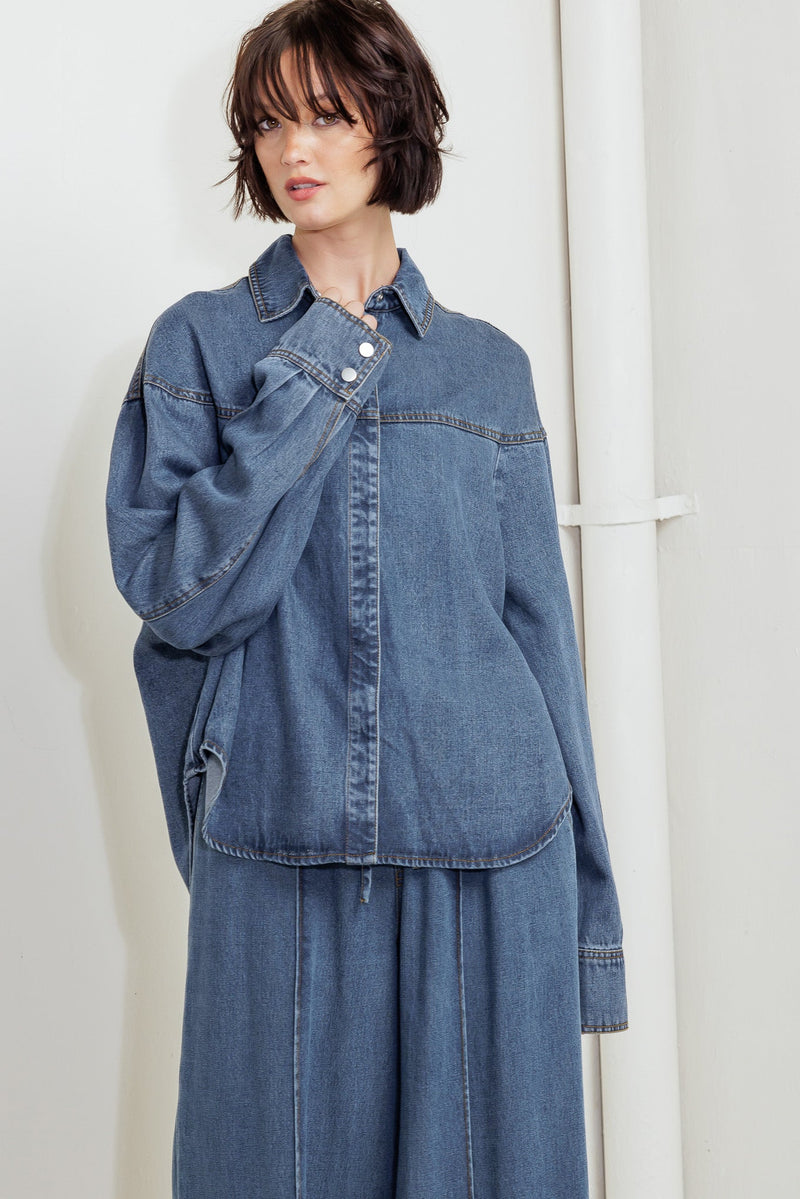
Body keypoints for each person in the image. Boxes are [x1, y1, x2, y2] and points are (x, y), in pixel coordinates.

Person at [105, 1, 628, 1195]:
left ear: (391, 125)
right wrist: (319, 368)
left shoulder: (487, 369)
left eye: (328, 116)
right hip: (275, 850)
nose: (293, 149)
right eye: (268, 122)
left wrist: (590, 925)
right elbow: (182, 599)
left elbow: (543, 646)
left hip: (492, 858)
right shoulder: (200, 348)